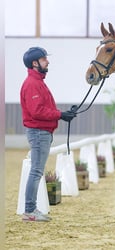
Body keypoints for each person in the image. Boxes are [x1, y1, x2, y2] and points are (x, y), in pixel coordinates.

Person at [20, 47, 76, 222]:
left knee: (37, 171)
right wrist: (60, 115)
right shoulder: (32, 84)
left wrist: (63, 114)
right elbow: (37, 111)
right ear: (35, 63)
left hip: (42, 132)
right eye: (44, 59)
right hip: (38, 133)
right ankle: (29, 210)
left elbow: (44, 108)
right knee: (36, 171)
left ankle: (30, 209)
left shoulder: (38, 82)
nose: (47, 61)